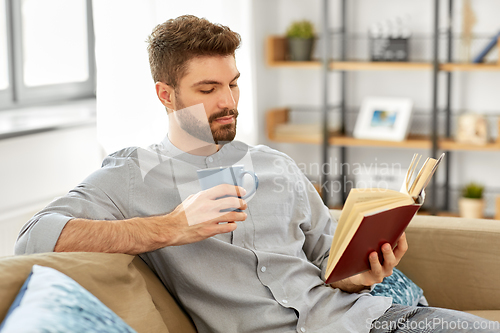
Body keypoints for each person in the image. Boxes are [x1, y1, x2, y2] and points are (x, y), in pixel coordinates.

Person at [15, 15, 498, 333]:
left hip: (368, 320)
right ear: (166, 94)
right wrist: (173, 228)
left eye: (232, 84)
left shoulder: (275, 163)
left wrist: (362, 272)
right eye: (208, 88)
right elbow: (34, 238)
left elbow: (328, 258)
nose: (228, 101)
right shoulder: (131, 174)